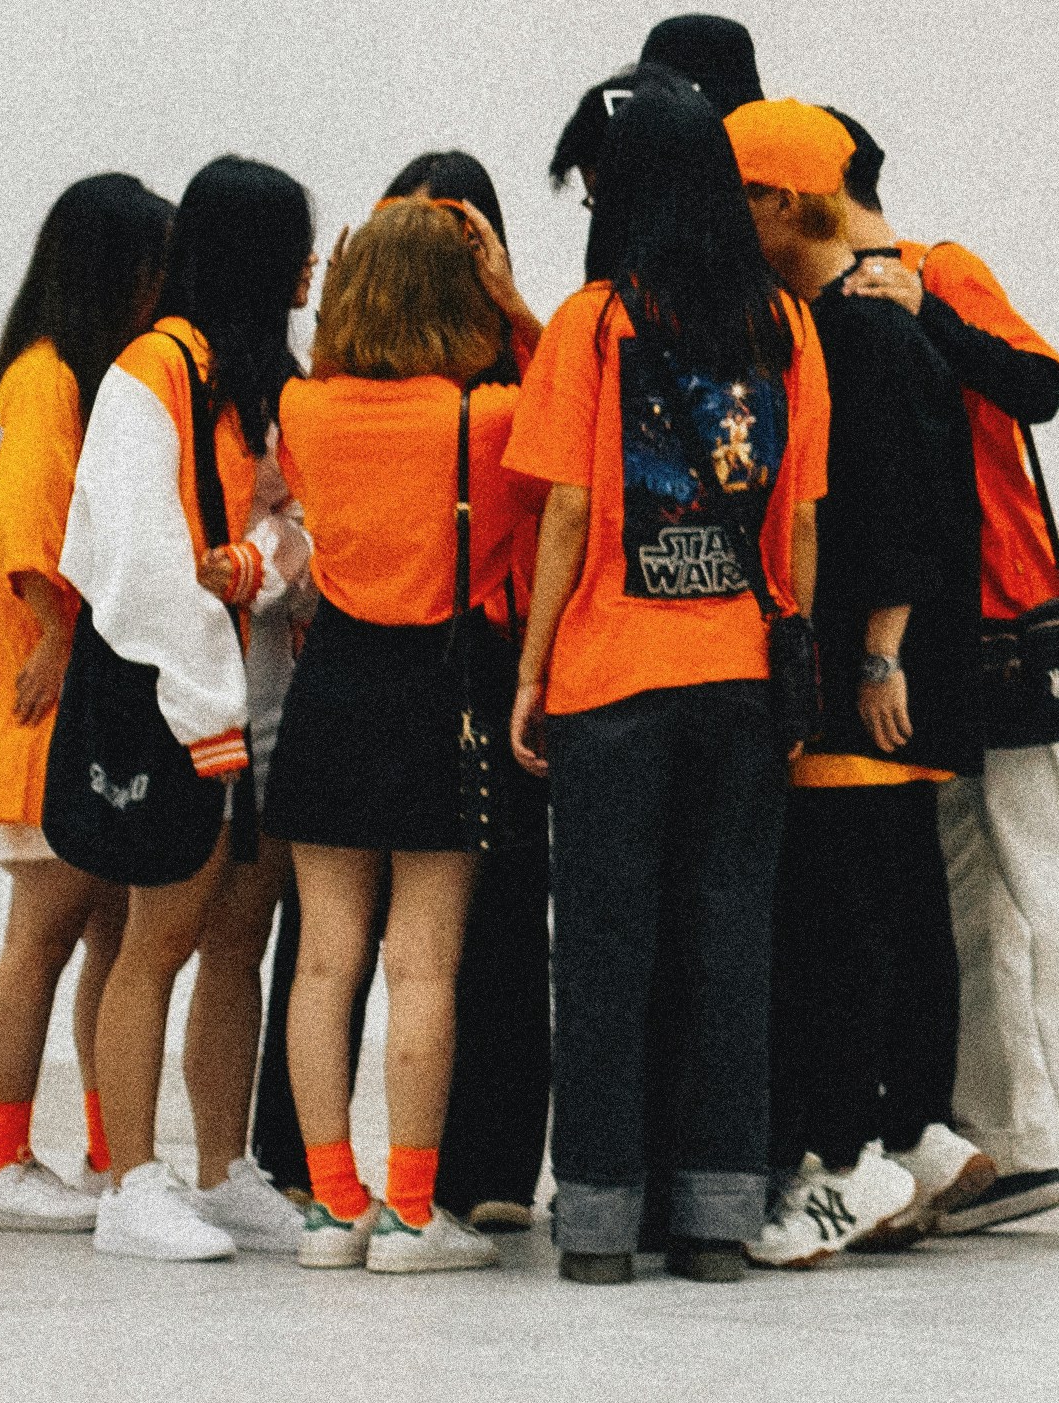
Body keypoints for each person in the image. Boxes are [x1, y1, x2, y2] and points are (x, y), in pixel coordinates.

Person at [515, 62, 829, 1283]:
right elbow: (798, 524)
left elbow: (570, 513)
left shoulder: (594, 324)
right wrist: (784, 649)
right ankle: (715, 1223)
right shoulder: (788, 328)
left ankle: (597, 1223)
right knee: (728, 947)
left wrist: (533, 671)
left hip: (611, 680)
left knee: (601, 950)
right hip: (742, 678)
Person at [851, 122, 1059, 1253]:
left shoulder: (943, 267)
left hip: (1007, 625)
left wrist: (923, 311)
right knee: (964, 904)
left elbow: (1040, 382)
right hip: (930, 646)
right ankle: (1011, 1146)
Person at [257, 154, 556, 1236]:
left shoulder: (305, 409)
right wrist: (514, 301)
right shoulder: (488, 421)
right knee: (426, 966)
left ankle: (332, 1202)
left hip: (333, 690)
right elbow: (575, 400)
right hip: (445, 697)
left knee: (325, 961)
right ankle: (414, 1207)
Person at [732, 98, 981, 1267]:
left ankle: (847, 1167)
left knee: (840, 926)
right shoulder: (861, 314)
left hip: (867, 676)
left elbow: (913, 504)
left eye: (739, 199)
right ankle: (897, 1143)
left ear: (782, 202)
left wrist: (877, 649)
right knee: (889, 907)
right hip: (881, 670)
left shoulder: (859, 330)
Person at [71, 154, 316, 1261]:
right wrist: (206, 700)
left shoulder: (265, 377)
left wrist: (258, 566)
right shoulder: (150, 374)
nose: (312, 266)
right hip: (183, 714)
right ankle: (131, 1183)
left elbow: (299, 535)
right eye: (296, 246)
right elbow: (134, 563)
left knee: (239, 945)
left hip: (260, 707)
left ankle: (224, 1169)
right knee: (153, 940)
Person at [0, 170, 169, 1231]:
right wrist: (53, 632)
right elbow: (29, 539)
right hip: (49, 702)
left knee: (98, 929)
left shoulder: (50, 373)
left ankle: (101, 1144)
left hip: (67, 694)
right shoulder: (46, 382)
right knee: (41, 933)